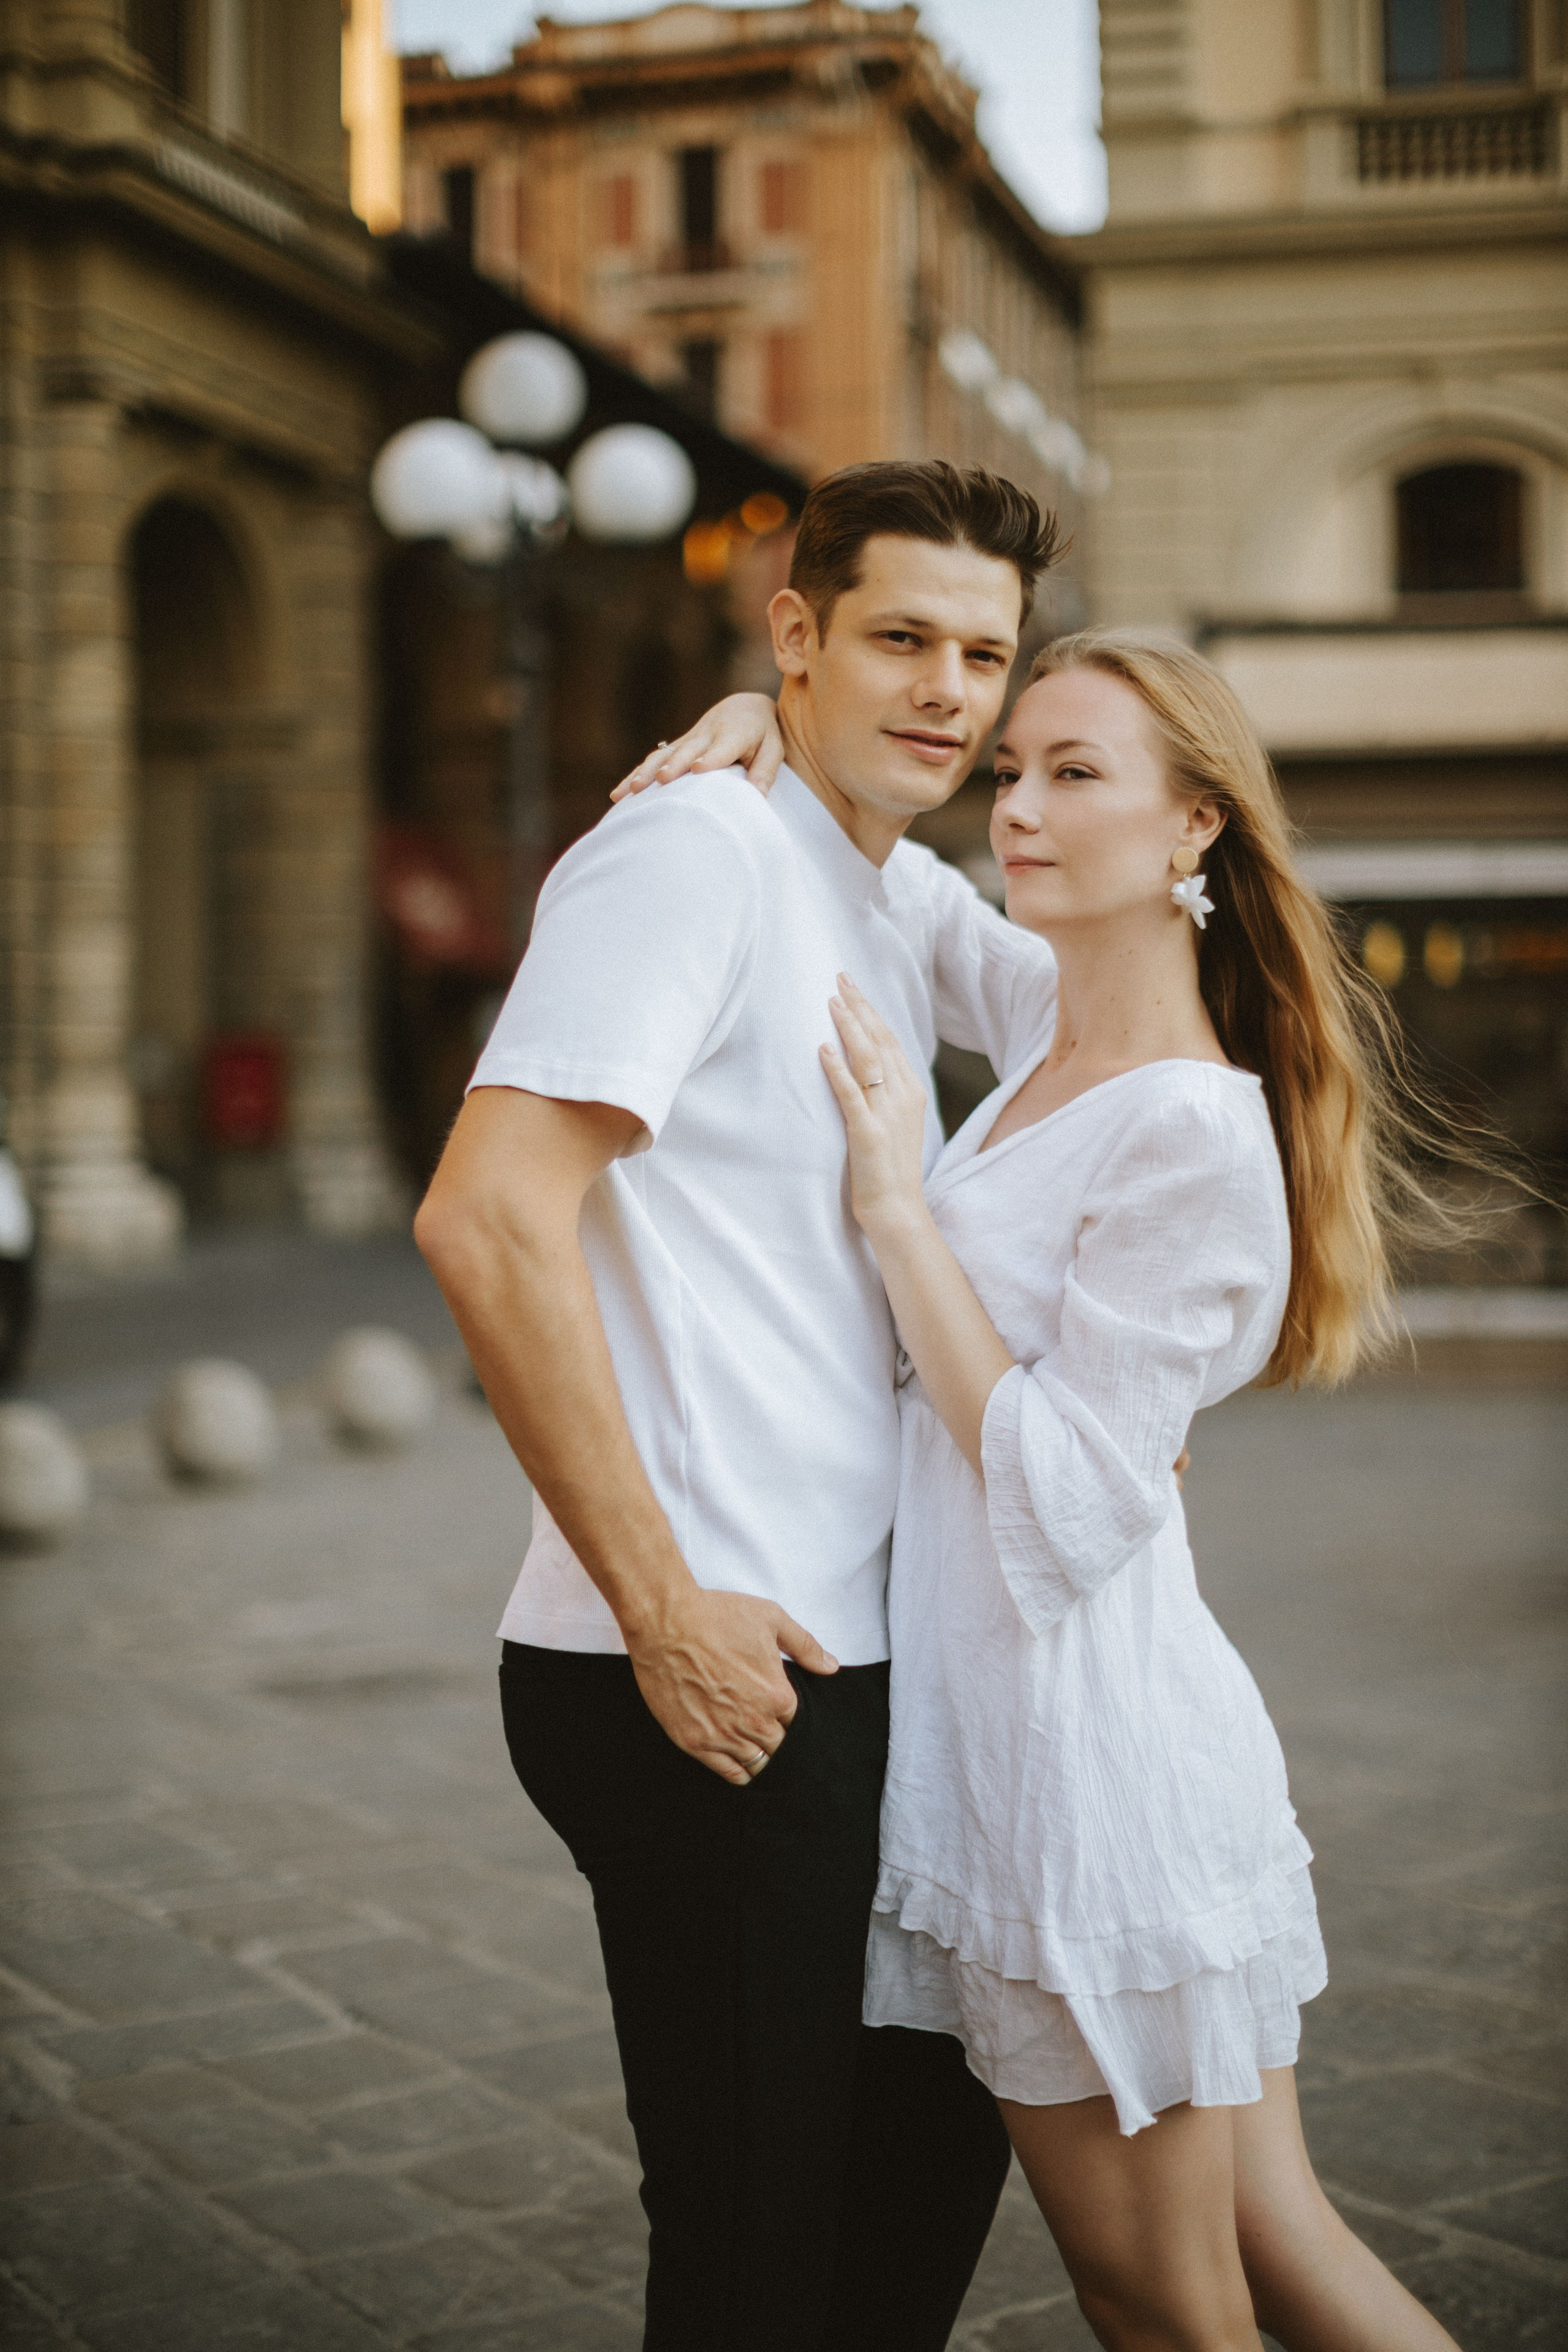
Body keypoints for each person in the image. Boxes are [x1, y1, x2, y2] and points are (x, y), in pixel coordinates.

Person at [647, 636, 1464, 2350]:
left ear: (1195, 836)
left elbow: (1075, 1506)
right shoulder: (1047, 1033)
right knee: (1276, 2246)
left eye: (1075, 774)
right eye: (1011, 769)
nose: (1013, 806)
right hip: (1035, 1736)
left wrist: (894, 1213)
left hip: (1088, 1774)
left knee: (1160, 2301)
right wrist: (767, 727)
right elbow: (907, 896)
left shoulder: (1190, 1132)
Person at [415, 461, 1070, 2352]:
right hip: (708, 1667)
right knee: (758, 2258)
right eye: (895, 640)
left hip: (871, 1667)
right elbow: (486, 1220)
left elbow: (1129, 1009)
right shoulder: (691, 855)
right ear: (794, 632)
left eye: (981, 655)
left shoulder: (886, 888)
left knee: (906, 2216)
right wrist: (659, 1607)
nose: (946, 691)